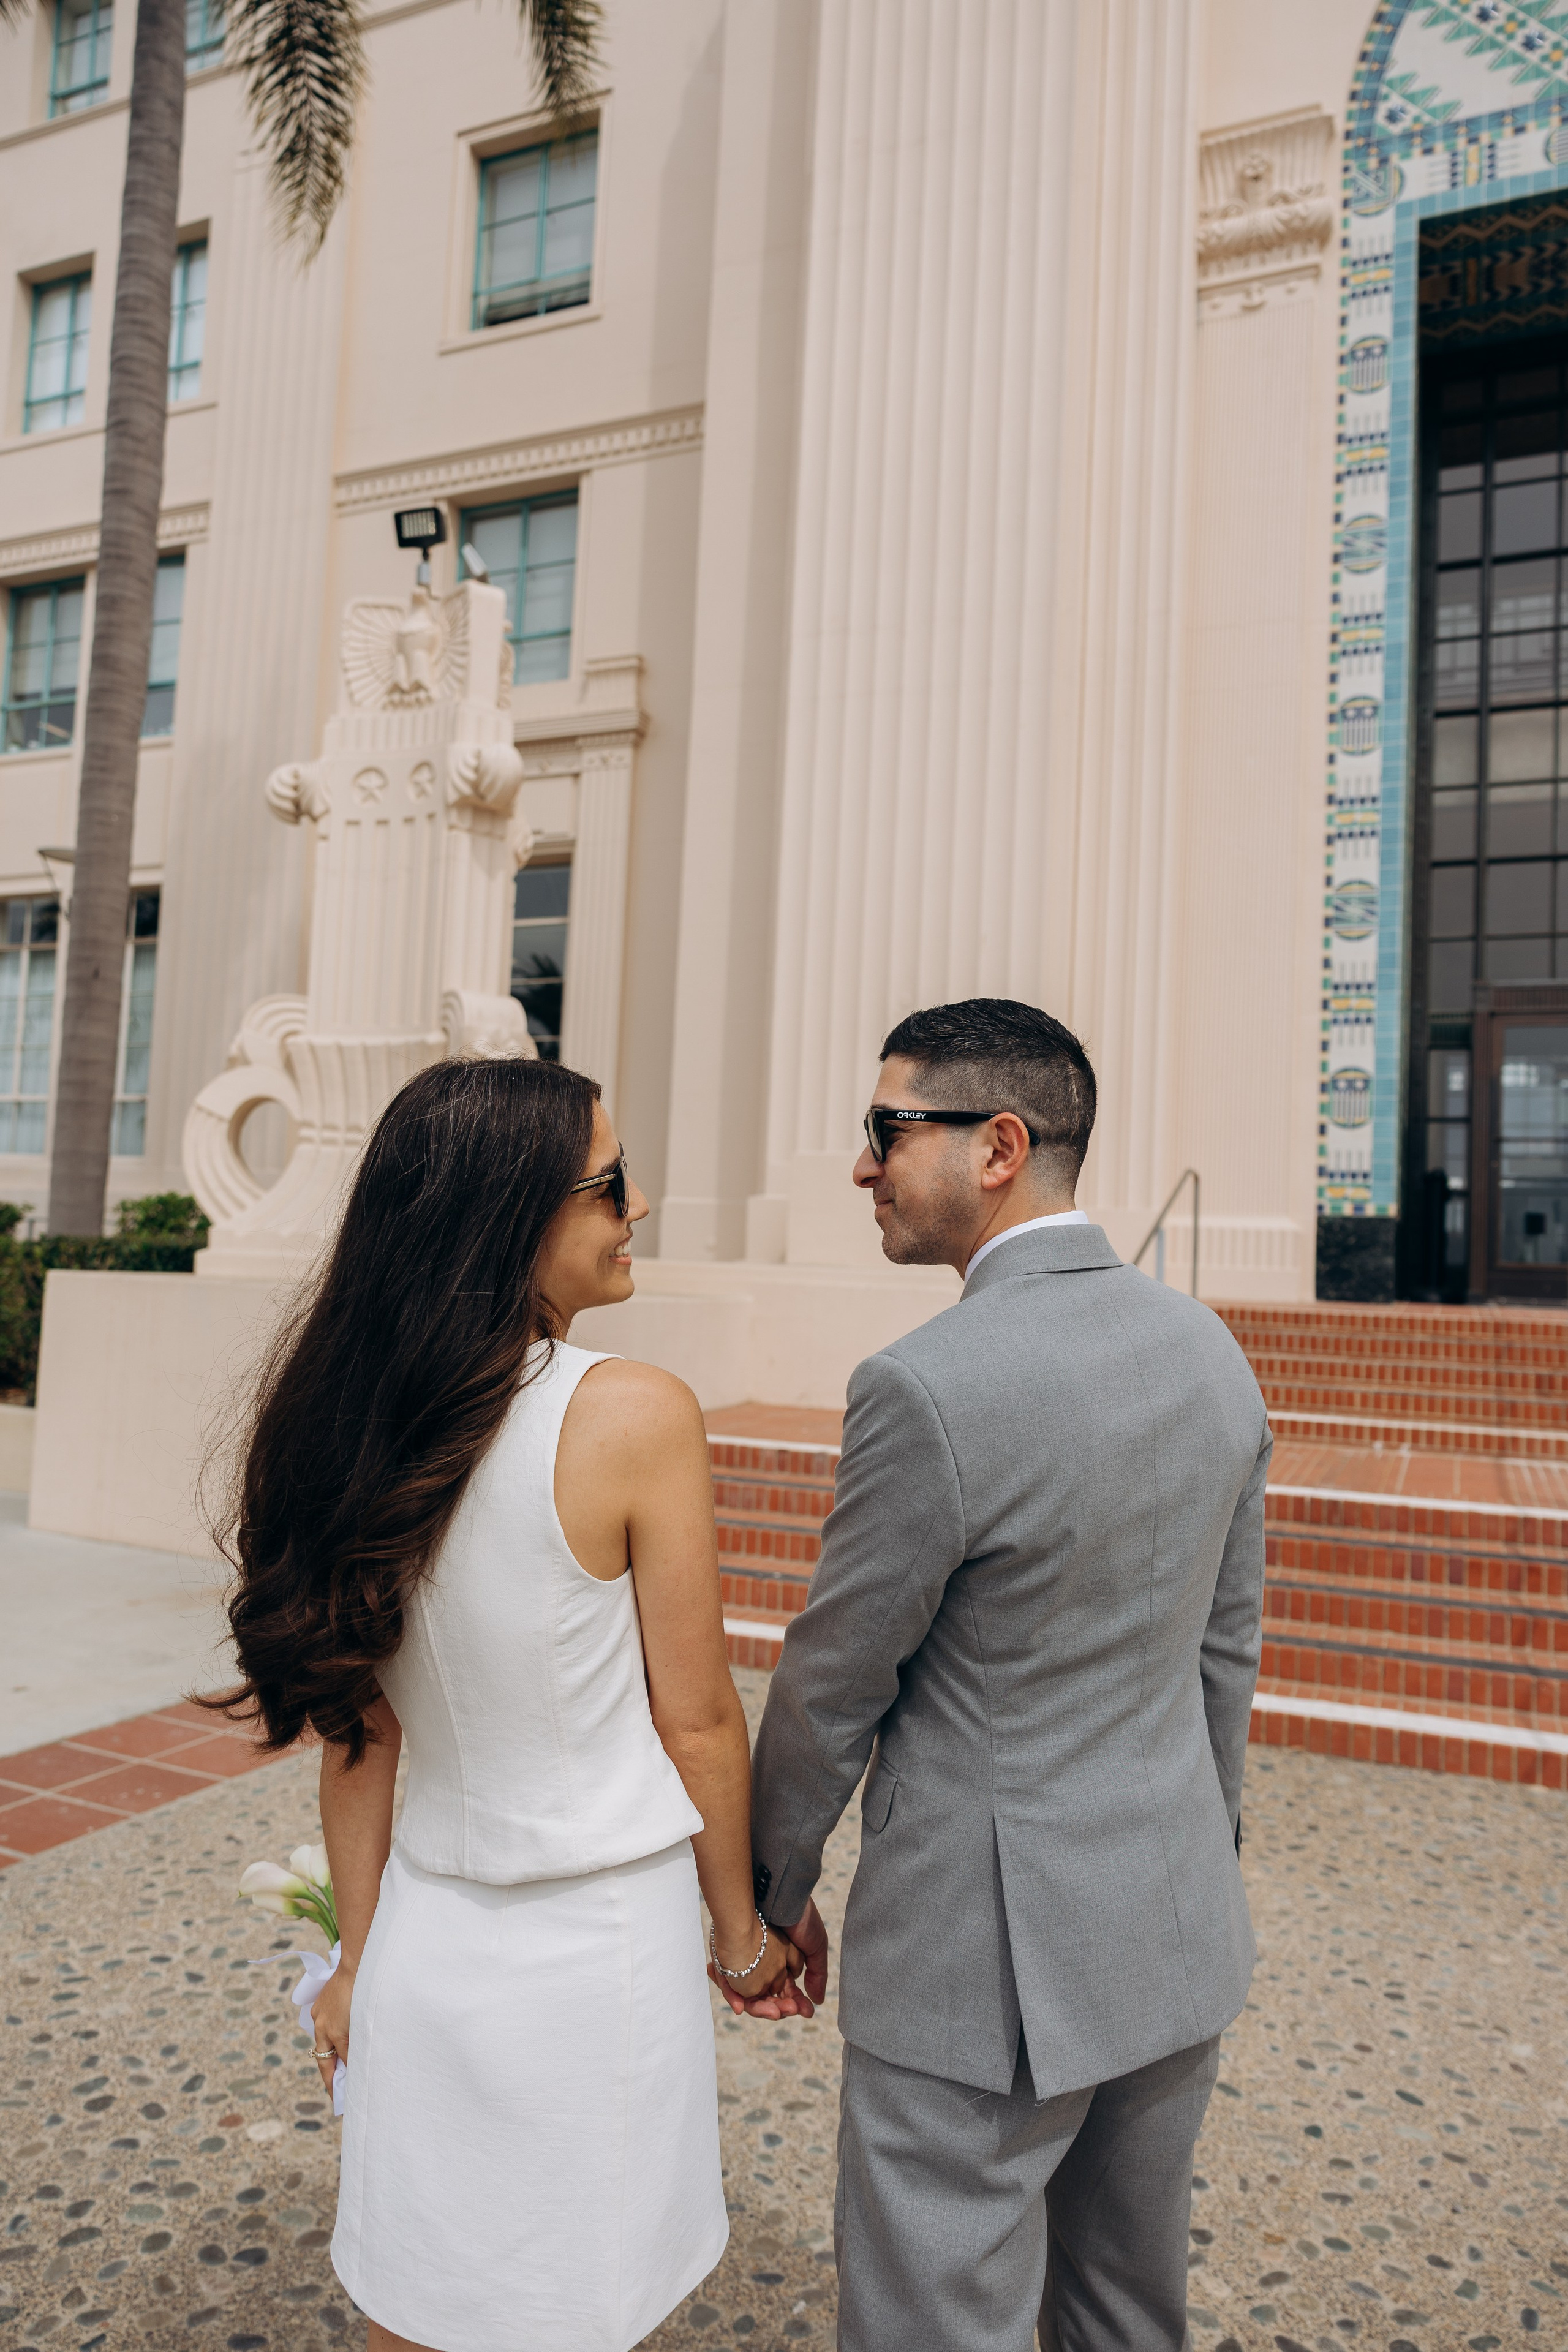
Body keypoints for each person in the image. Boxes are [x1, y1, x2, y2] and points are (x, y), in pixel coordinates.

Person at [209, 1057, 805, 2352]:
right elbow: (695, 1721)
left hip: (426, 1937)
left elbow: (360, 1741)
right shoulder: (632, 1412)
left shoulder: (346, 1424)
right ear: (509, 1216)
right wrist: (743, 1944)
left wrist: (358, 1963)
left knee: (418, 2303)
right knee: (575, 2307)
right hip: (598, 1956)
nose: (635, 1205)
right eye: (606, 1185)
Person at [746, 998, 1270, 2352]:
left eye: (883, 1130)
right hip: (1169, 1933)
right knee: (1120, 2316)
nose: (861, 1165)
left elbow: (833, 1682)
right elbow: (1225, 1647)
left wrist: (767, 1892)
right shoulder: (1207, 1348)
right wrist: (1196, 1861)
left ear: (996, 1145)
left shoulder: (924, 1386)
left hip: (981, 1975)